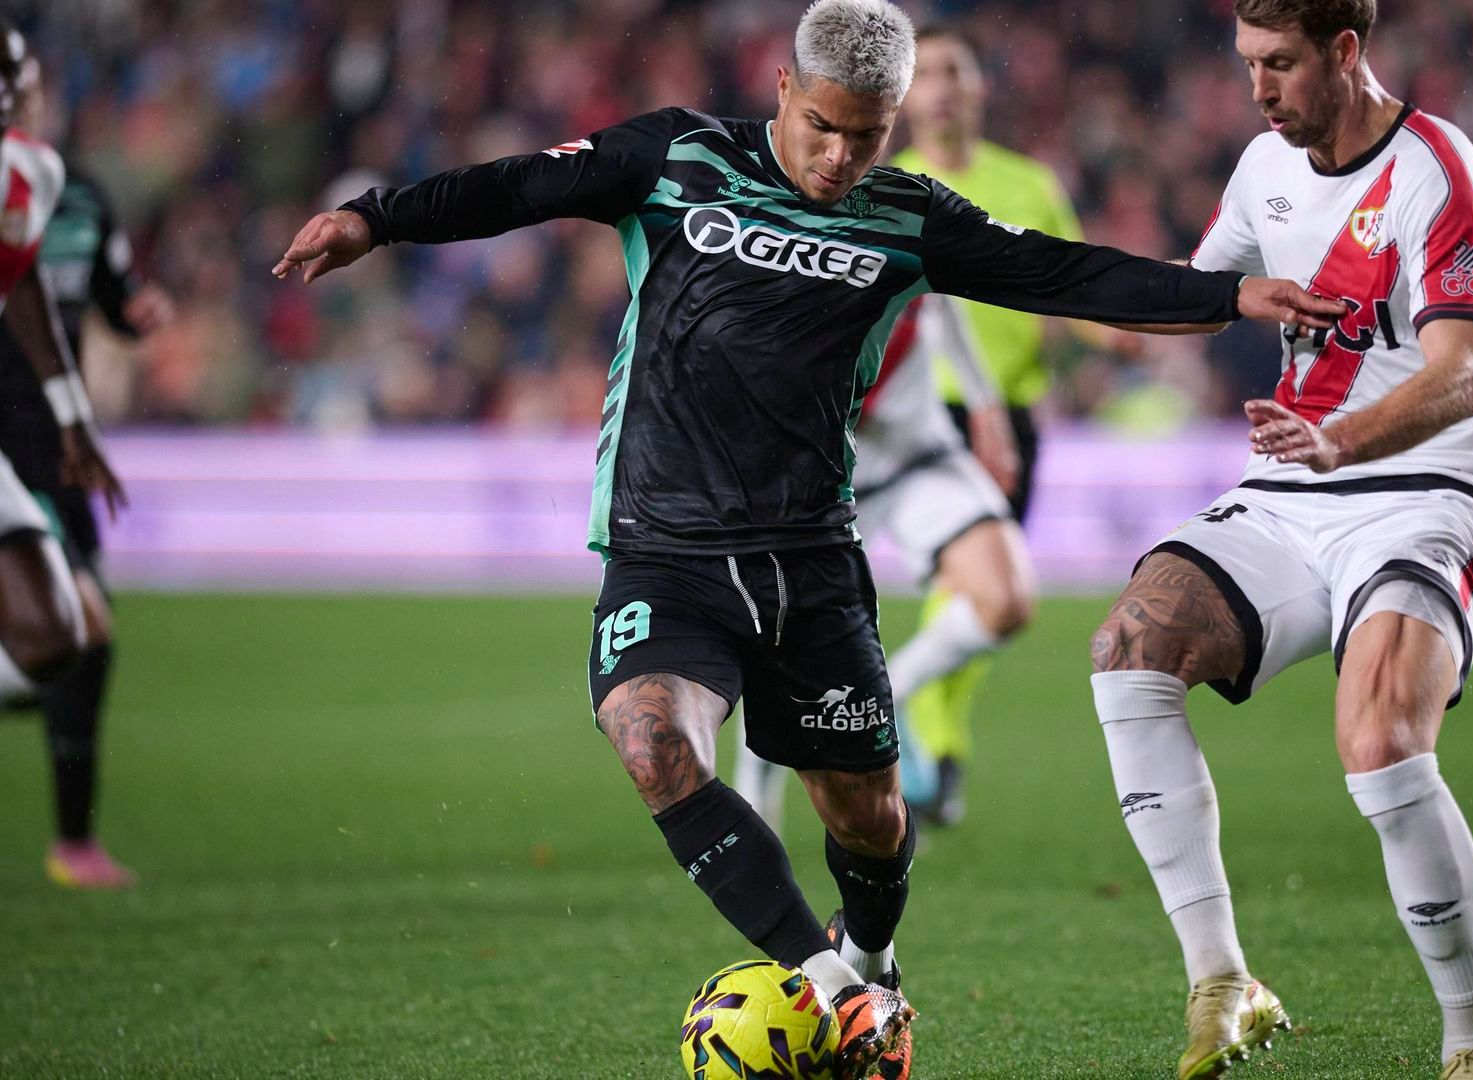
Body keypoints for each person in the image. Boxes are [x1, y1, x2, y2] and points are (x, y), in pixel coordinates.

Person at [270, 1, 1345, 1076]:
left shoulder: (907, 216)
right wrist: (378, 216)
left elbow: (1064, 274)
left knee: (868, 817)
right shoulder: (675, 157)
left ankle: (873, 958)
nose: (840, 156)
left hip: (810, 564)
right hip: (664, 545)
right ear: (784, 89)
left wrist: (1227, 295)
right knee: (651, 738)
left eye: (867, 135)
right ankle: (831, 984)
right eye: (823, 126)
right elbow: (519, 185)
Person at [1086, 2, 1473, 1078]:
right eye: (1246, 64)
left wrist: (1339, 441)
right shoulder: (1260, 167)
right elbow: (1199, 296)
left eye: (1279, 64)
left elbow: (1461, 376)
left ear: (1345, 50)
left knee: (1375, 741)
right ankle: (1223, 980)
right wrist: (1046, 283)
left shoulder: (1440, 172)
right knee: (1129, 648)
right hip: (1291, 497)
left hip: (1428, 496)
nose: (1258, 88)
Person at [885, 23, 1124, 823]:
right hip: (926, 418)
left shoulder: (1028, 184)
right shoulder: (888, 187)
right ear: (906, 94)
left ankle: (925, 731)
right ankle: (930, 740)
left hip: (1010, 415)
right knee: (966, 583)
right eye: (930, 74)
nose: (945, 88)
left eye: (958, 71)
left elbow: (1073, 282)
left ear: (983, 87)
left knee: (985, 604)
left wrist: (1123, 324)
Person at [731, 291, 1030, 833]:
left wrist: (986, 406)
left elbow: (941, 289)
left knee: (1005, 601)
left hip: (921, 455)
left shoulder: (903, 213)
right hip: (820, 472)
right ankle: (755, 793)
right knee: (777, 634)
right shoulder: (780, 236)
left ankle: (884, 695)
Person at [0, 41, 172, 890]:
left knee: (83, 644)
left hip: (61, 454)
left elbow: (101, 300)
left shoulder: (75, 195)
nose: (33, 98)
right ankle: (72, 843)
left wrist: (138, 314)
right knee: (78, 631)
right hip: (11, 441)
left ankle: (74, 842)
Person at [0, 17, 128, 843]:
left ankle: (71, 842)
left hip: (30, 438)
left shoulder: (35, 174)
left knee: (55, 642)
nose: (20, 94)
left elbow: (23, 296)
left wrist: (76, 419)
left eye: (22, 79)